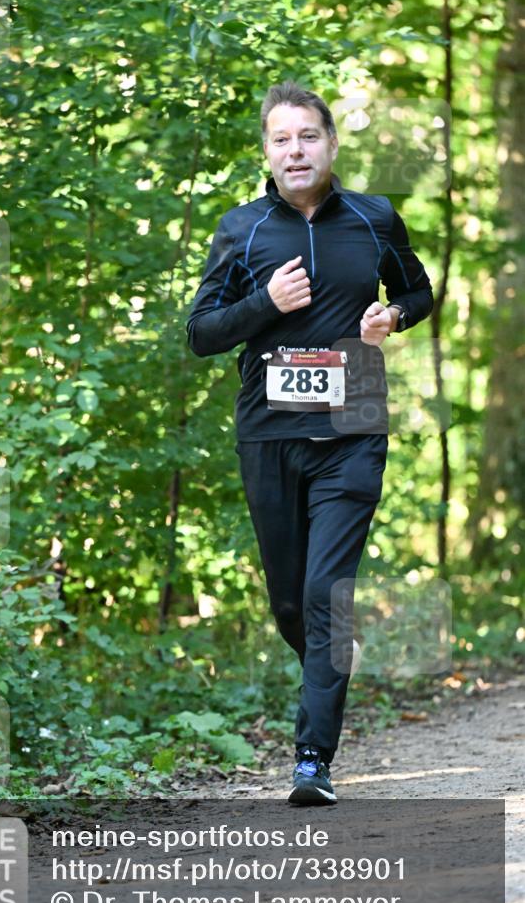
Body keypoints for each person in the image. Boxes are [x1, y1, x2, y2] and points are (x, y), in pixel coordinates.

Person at [185, 81, 434, 805]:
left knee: (326, 594)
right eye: (280, 139)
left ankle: (310, 761)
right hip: (268, 433)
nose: (295, 150)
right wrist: (267, 303)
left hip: (352, 429)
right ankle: (330, 660)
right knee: (291, 607)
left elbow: (418, 293)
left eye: (307, 137)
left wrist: (392, 317)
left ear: (330, 144)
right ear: (266, 151)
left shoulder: (373, 217)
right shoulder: (243, 230)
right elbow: (200, 334)